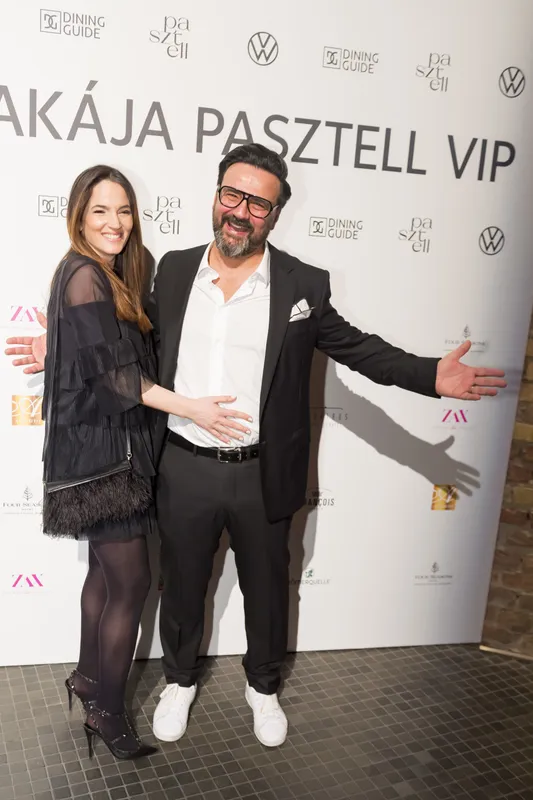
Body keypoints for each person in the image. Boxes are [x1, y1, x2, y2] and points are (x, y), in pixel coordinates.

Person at [7, 145, 507, 750]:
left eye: (258, 203)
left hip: (263, 469)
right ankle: (179, 682)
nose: (240, 211)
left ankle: (263, 688)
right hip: (183, 465)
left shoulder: (303, 285)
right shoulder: (173, 271)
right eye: (232, 195)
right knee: (181, 588)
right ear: (217, 195)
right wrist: (59, 342)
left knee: (268, 591)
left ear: (275, 213)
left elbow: (359, 349)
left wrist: (429, 375)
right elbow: (128, 338)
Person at [6, 165, 251, 761]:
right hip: (103, 458)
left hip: (105, 449)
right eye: (100, 211)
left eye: (123, 210)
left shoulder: (106, 272)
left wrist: (54, 341)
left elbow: (97, 346)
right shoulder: (85, 274)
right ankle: (108, 712)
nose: (114, 223)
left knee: (104, 575)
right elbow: (119, 380)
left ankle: (89, 680)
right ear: (78, 216)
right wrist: (194, 408)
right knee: (132, 582)